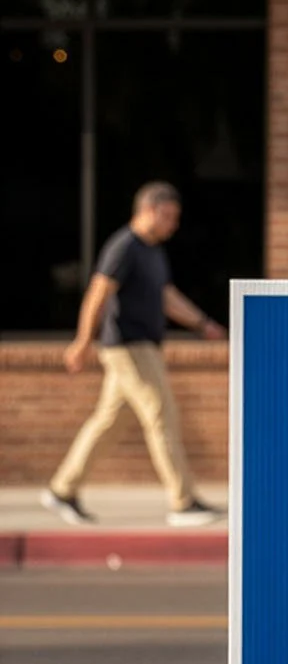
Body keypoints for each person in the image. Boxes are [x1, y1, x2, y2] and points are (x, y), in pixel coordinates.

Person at [42, 182, 225, 527]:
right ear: (149, 210)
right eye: (169, 216)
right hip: (129, 347)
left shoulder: (152, 252)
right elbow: (97, 294)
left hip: (143, 347)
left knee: (108, 422)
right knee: (161, 414)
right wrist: (83, 341)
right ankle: (183, 502)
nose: (174, 225)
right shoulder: (124, 246)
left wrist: (203, 324)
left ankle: (62, 489)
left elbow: (166, 297)